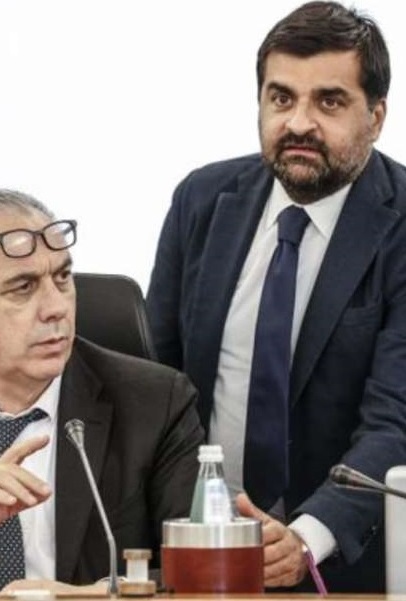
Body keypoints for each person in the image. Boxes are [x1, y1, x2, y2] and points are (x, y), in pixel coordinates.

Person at [146, 0, 406, 593]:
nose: (299, 123)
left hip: (345, 568)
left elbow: (395, 419)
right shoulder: (202, 201)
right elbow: (159, 384)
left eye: (329, 102)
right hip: (200, 555)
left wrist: (307, 537)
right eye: (281, 98)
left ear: (376, 116)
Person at [0, 189, 204, 594]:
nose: (56, 307)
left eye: (62, 278)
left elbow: (203, 570)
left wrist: (98, 595)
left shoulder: (156, 404)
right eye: (22, 287)